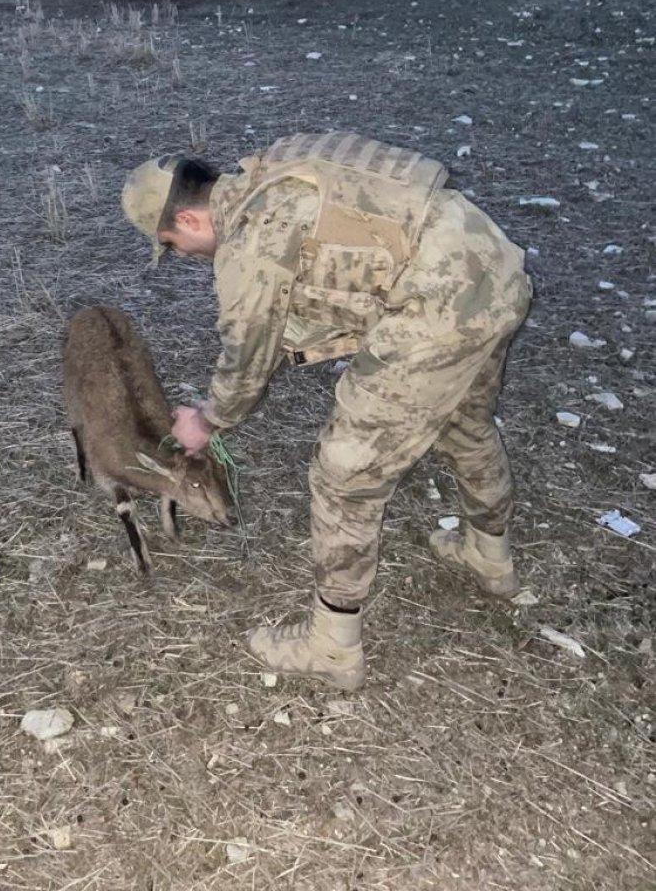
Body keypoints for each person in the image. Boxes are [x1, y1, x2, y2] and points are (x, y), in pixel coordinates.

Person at [121, 133, 532, 691]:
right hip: (491, 266)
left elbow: (247, 356)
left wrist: (208, 418)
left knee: (343, 476)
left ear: (190, 221)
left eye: (170, 244)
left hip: (437, 309)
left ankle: (332, 647)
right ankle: (490, 556)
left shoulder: (249, 240)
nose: (180, 256)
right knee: (463, 421)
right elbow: (342, 277)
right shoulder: (271, 173)